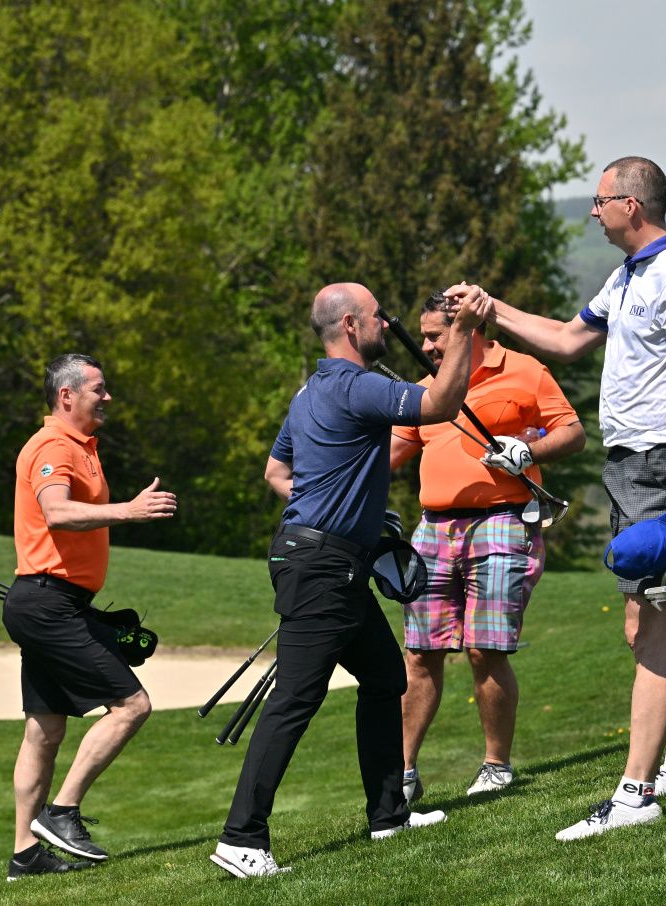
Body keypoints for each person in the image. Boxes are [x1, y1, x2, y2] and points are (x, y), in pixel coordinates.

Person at [449, 156, 666, 840]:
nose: (594, 212)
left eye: (601, 201)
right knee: (665, 612)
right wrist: (490, 307)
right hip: (631, 464)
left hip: (662, 464)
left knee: (647, 622)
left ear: (633, 205)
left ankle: (636, 792)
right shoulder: (629, 274)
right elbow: (570, 340)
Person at [210, 282, 491, 879]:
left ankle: (388, 815)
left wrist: (338, 508)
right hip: (323, 566)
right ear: (349, 326)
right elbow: (441, 405)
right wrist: (463, 329)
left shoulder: (309, 392)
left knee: (386, 678)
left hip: (323, 559)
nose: (386, 325)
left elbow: (276, 470)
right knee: (294, 699)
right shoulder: (356, 385)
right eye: (376, 317)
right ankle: (241, 838)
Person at [390, 294, 585, 802]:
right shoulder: (427, 391)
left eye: (435, 335)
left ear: (469, 329)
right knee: (419, 653)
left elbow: (573, 433)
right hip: (433, 527)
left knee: (485, 649)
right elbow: (390, 453)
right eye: (424, 336)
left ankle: (496, 764)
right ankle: (402, 773)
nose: (426, 346)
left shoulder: (524, 370)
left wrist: (529, 450)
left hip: (503, 519)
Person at [3, 353, 178, 880]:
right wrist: (128, 510)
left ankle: (25, 854)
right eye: (98, 389)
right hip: (46, 602)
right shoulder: (53, 446)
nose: (107, 397)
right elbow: (56, 512)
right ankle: (62, 812)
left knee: (44, 730)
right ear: (67, 395)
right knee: (132, 705)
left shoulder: (81, 447)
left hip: (51, 601)